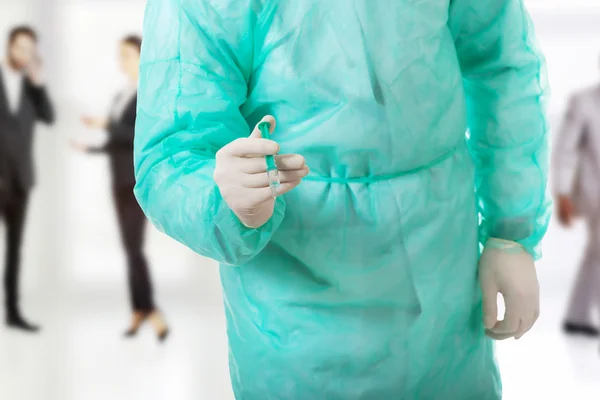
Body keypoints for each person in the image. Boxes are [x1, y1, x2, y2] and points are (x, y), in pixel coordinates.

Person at [135, 1, 550, 398]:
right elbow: (172, 149)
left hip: (439, 270)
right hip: (295, 303)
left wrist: (509, 230)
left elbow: (499, 63)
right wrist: (224, 200)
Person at [71, 35, 168, 342]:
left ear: (142, 56)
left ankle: (149, 309)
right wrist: (92, 149)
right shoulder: (120, 96)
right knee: (129, 249)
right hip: (117, 178)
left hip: (135, 181)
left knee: (135, 248)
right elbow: (117, 141)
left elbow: (139, 134)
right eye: (120, 54)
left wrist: (105, 125)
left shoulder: (148, 95)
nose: (122, 60)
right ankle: (139, 308)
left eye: (127, 54)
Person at [0, 25, 54, 333]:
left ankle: (12, 312)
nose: (24, 55)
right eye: (20, 48)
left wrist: (39, 82)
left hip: (21, 180)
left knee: (14, 250)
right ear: (9, 46)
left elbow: (48, 117)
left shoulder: (31, 87)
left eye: (29, 51)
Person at [553, 78, 600, 337]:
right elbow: (565, 150)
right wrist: (562, 193)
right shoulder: (584, 103)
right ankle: (579, 315)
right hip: (595, 192)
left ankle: (577, 315)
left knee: (595, 255)